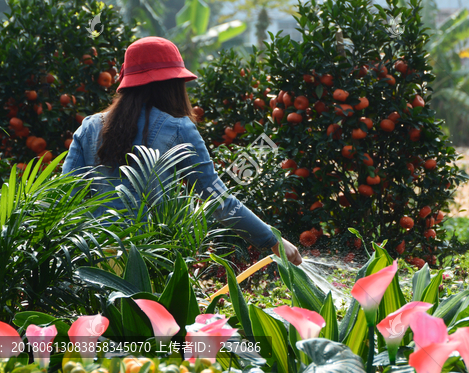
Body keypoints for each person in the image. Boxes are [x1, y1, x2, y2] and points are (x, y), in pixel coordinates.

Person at [62, 37, 302, 266]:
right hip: (149, 259)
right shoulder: (178, 128)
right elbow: (218, 201)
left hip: (93, 257)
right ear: (172, 85)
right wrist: (272, 240)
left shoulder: (90, 126)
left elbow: (63, 194)